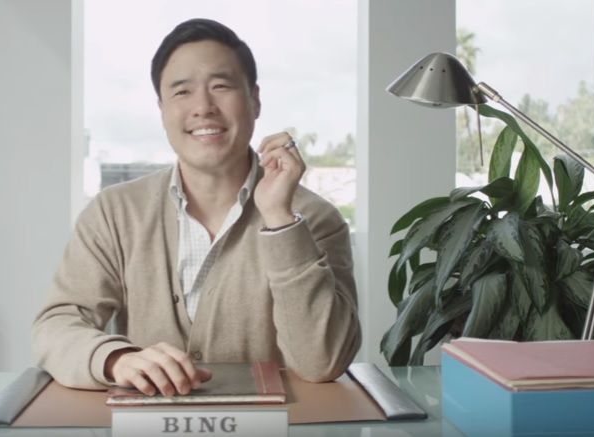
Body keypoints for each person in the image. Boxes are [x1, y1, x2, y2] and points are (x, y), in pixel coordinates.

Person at [32, 18, 361, 396]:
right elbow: (56, 325)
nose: (203, 107)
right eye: (182, 91)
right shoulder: (114, 211)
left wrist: (279, 221)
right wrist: (115, 359)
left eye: (220, 86)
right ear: (161, 108)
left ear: (254, 99)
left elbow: (323, 362)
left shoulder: (314, 219)